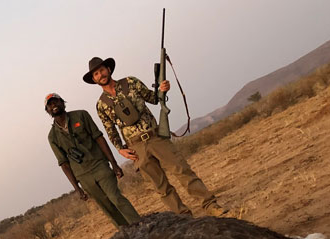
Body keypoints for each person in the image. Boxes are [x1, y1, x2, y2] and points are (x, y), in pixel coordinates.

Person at [83, 56, 230, 217]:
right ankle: (184, 216)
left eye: (102, 70)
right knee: (160, 186)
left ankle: (210, 205)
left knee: (182, 171)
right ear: (94, 79)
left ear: (108, 69)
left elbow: (153, 98)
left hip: (155, 136)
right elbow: (110, 130)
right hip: (136, 147)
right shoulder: (101, 104)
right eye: (96, 74)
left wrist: (162, 89)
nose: (100, 75)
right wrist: (121, 150)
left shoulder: (130, 82)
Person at [45, 92, 141, 227]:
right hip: (83, 176)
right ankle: (126, 233)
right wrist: (77, 188)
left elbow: (99, 138)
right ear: (47, 111)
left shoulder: (81, 115)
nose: (53, 105)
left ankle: (140, 226)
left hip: (99, 165)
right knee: (106, 206)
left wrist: (114, 164)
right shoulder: (52, 136)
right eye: (50, 105)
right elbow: (64, 164)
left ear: (63, 102)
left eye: (56, 101)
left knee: (115, 198)